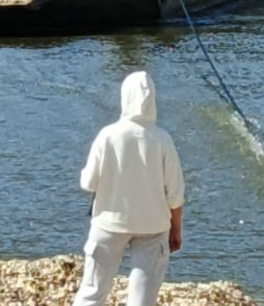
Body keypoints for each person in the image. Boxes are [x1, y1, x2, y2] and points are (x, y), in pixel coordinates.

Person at [72, 71, 185, 306]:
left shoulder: (108, 136)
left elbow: (88, 183)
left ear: (124, 97)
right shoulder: (163, 139)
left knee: (92, 292)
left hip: (109, 223)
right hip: (153, 226)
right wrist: (176, 229)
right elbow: (175, 193)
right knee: (142, 300)